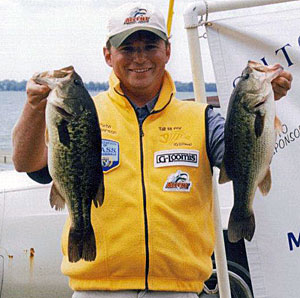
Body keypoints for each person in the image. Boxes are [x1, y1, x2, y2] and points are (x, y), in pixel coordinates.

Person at [12, 2, 292, 298]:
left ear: (167, 51)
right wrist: (33, 108)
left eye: (150, 46)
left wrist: (262, 107)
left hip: (179, 289)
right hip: (96, 288)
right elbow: (27, 164)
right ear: (108, 55)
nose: (140, 57)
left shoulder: (202, 118)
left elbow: (239, 160)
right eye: (128, 48)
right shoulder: (84, 113)